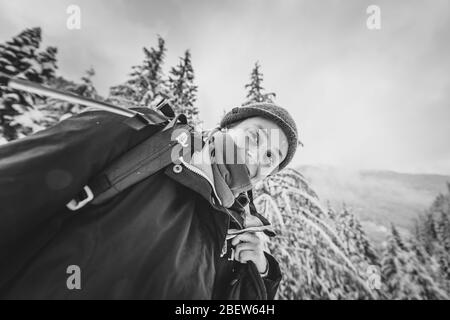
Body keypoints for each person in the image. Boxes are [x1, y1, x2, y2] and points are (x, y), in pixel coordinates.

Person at [0, 101, 298, 299]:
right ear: (224, 129)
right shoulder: (144, 137)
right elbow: (19, 181)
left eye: (271, 156)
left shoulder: (234, 233)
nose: (257, 154)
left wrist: (259, 274)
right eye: (255, 136)